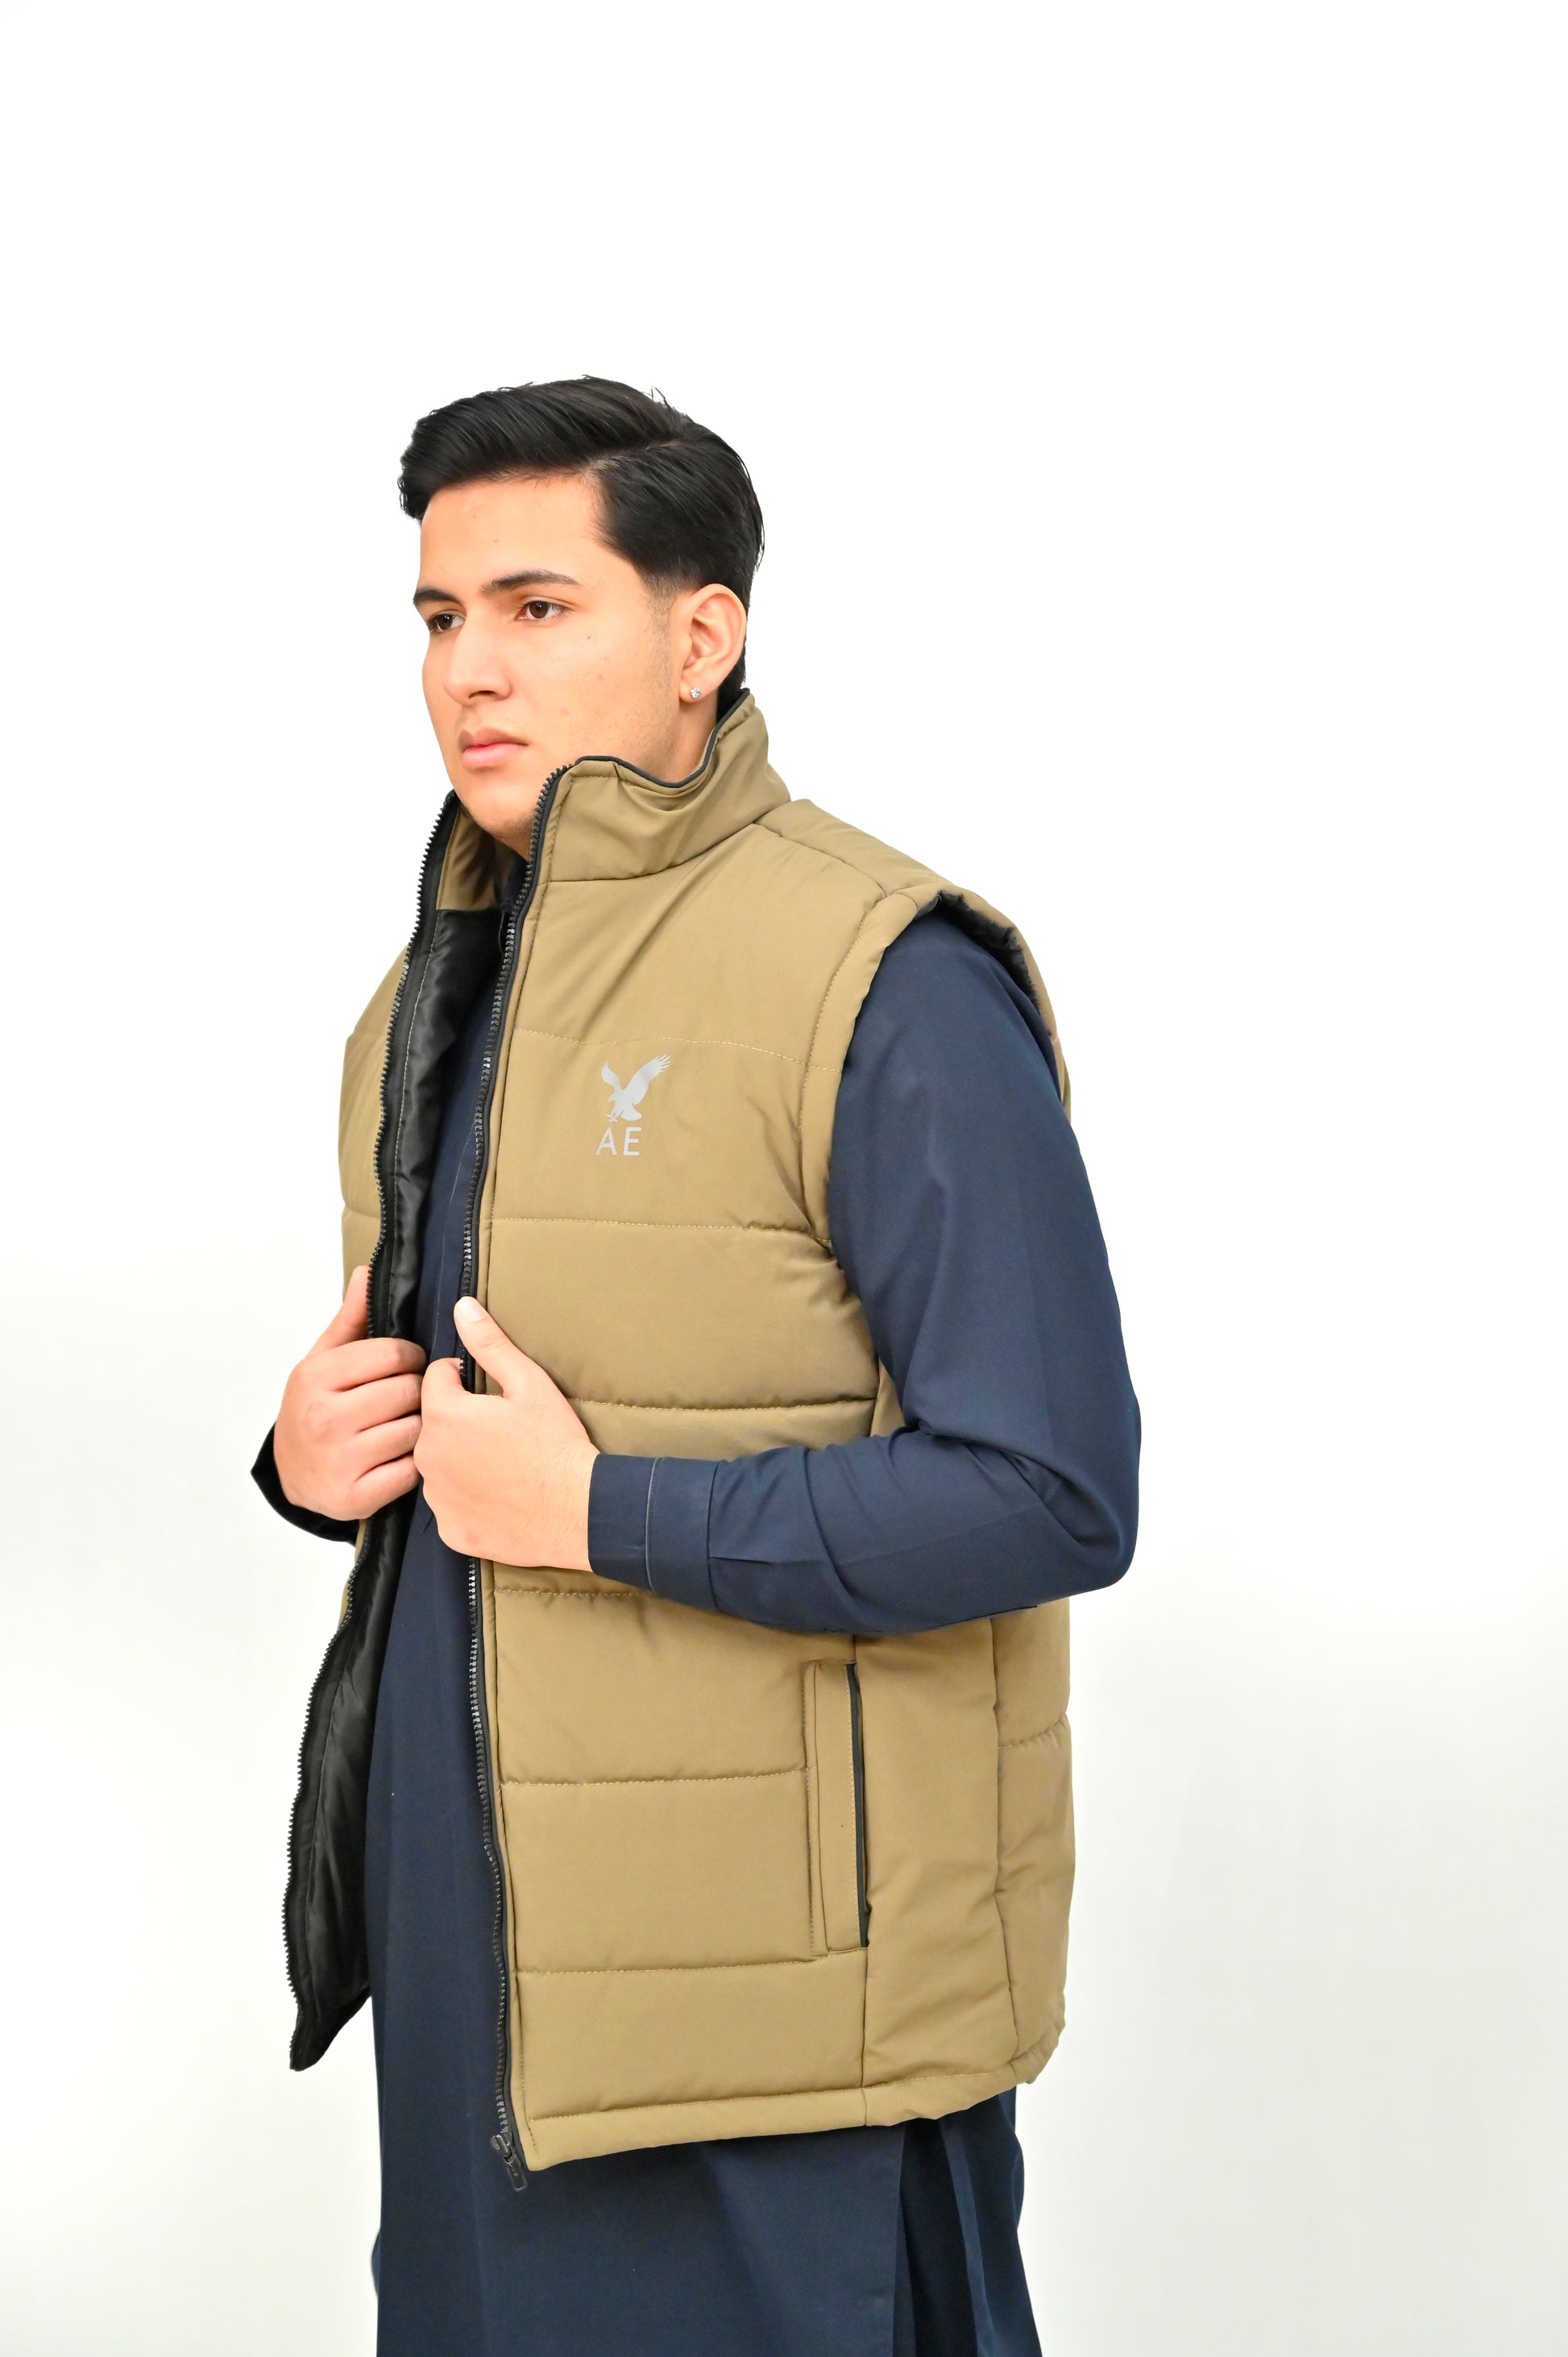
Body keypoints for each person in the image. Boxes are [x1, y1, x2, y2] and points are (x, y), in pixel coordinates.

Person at [255, 376, 1139, 2357]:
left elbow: (1052, 1489)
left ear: (700, 634)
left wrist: (597, 1511)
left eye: (536, 606)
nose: (469, 668)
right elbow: (465, 1438)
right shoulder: (432, 991)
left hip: (784, 2043)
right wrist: (317, 1452)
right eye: (438, 615)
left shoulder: (882, 976)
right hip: (488, 2007)